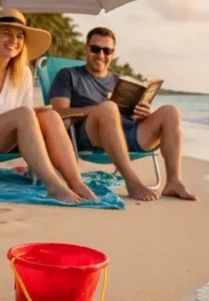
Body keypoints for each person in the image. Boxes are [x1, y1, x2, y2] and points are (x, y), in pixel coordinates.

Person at [49, 27, 196, 203]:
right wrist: (96, 109)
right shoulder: (69, 75)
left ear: (113, 53)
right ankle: (132, 182)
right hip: (91, 135)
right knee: (109, 107)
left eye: (107, 51)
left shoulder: (120, 81)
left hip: (127, 133)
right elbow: (58, 112)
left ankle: (173, 181)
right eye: (95, 49)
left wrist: (145, 115)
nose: (101, 55)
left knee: (171, 112)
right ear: (85, 48)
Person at [0, 9, 97, 203]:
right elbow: (19, 115)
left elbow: (23, 113)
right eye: (6, 34)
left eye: (19, 36)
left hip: (6, 138)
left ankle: (76, 182)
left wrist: (36, 113)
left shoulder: (23, 74)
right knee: (26, 114)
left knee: (50, 116)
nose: (14, 41)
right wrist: (26, 114)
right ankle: (53, 185)